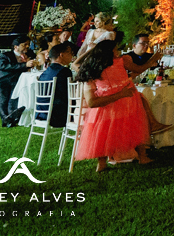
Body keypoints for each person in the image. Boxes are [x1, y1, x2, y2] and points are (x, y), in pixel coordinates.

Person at [74, 39, 152, 172]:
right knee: (134, 126)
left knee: (103, 132)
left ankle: (102, 163)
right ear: (110, 52)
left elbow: (75, 64)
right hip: (124, 99)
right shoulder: (120, 61)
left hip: (108, 102)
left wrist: (92, 50)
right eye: (116, 49)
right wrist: (153, 60)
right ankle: (142, 157)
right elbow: (139, 68)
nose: (118, 52)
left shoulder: (92, 67)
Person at [0, 37, 36, 127]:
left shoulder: (29, 54)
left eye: (28, 44)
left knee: (21, 91)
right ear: (16, 47)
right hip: (0, 83)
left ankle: (13, 117)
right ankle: (6, 119)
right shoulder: (4, 55)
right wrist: (24, 65)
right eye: (24, 44)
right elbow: (3, 66)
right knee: (3, 96)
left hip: (16, 83)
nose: (27, 46)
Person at [36, 42, 74, 128]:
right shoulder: (64, 71)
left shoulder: (45, 73)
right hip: (57, 116)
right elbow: (69, 94)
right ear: (61, 55)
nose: (71, 56)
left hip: (42, 113)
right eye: (69, 53)